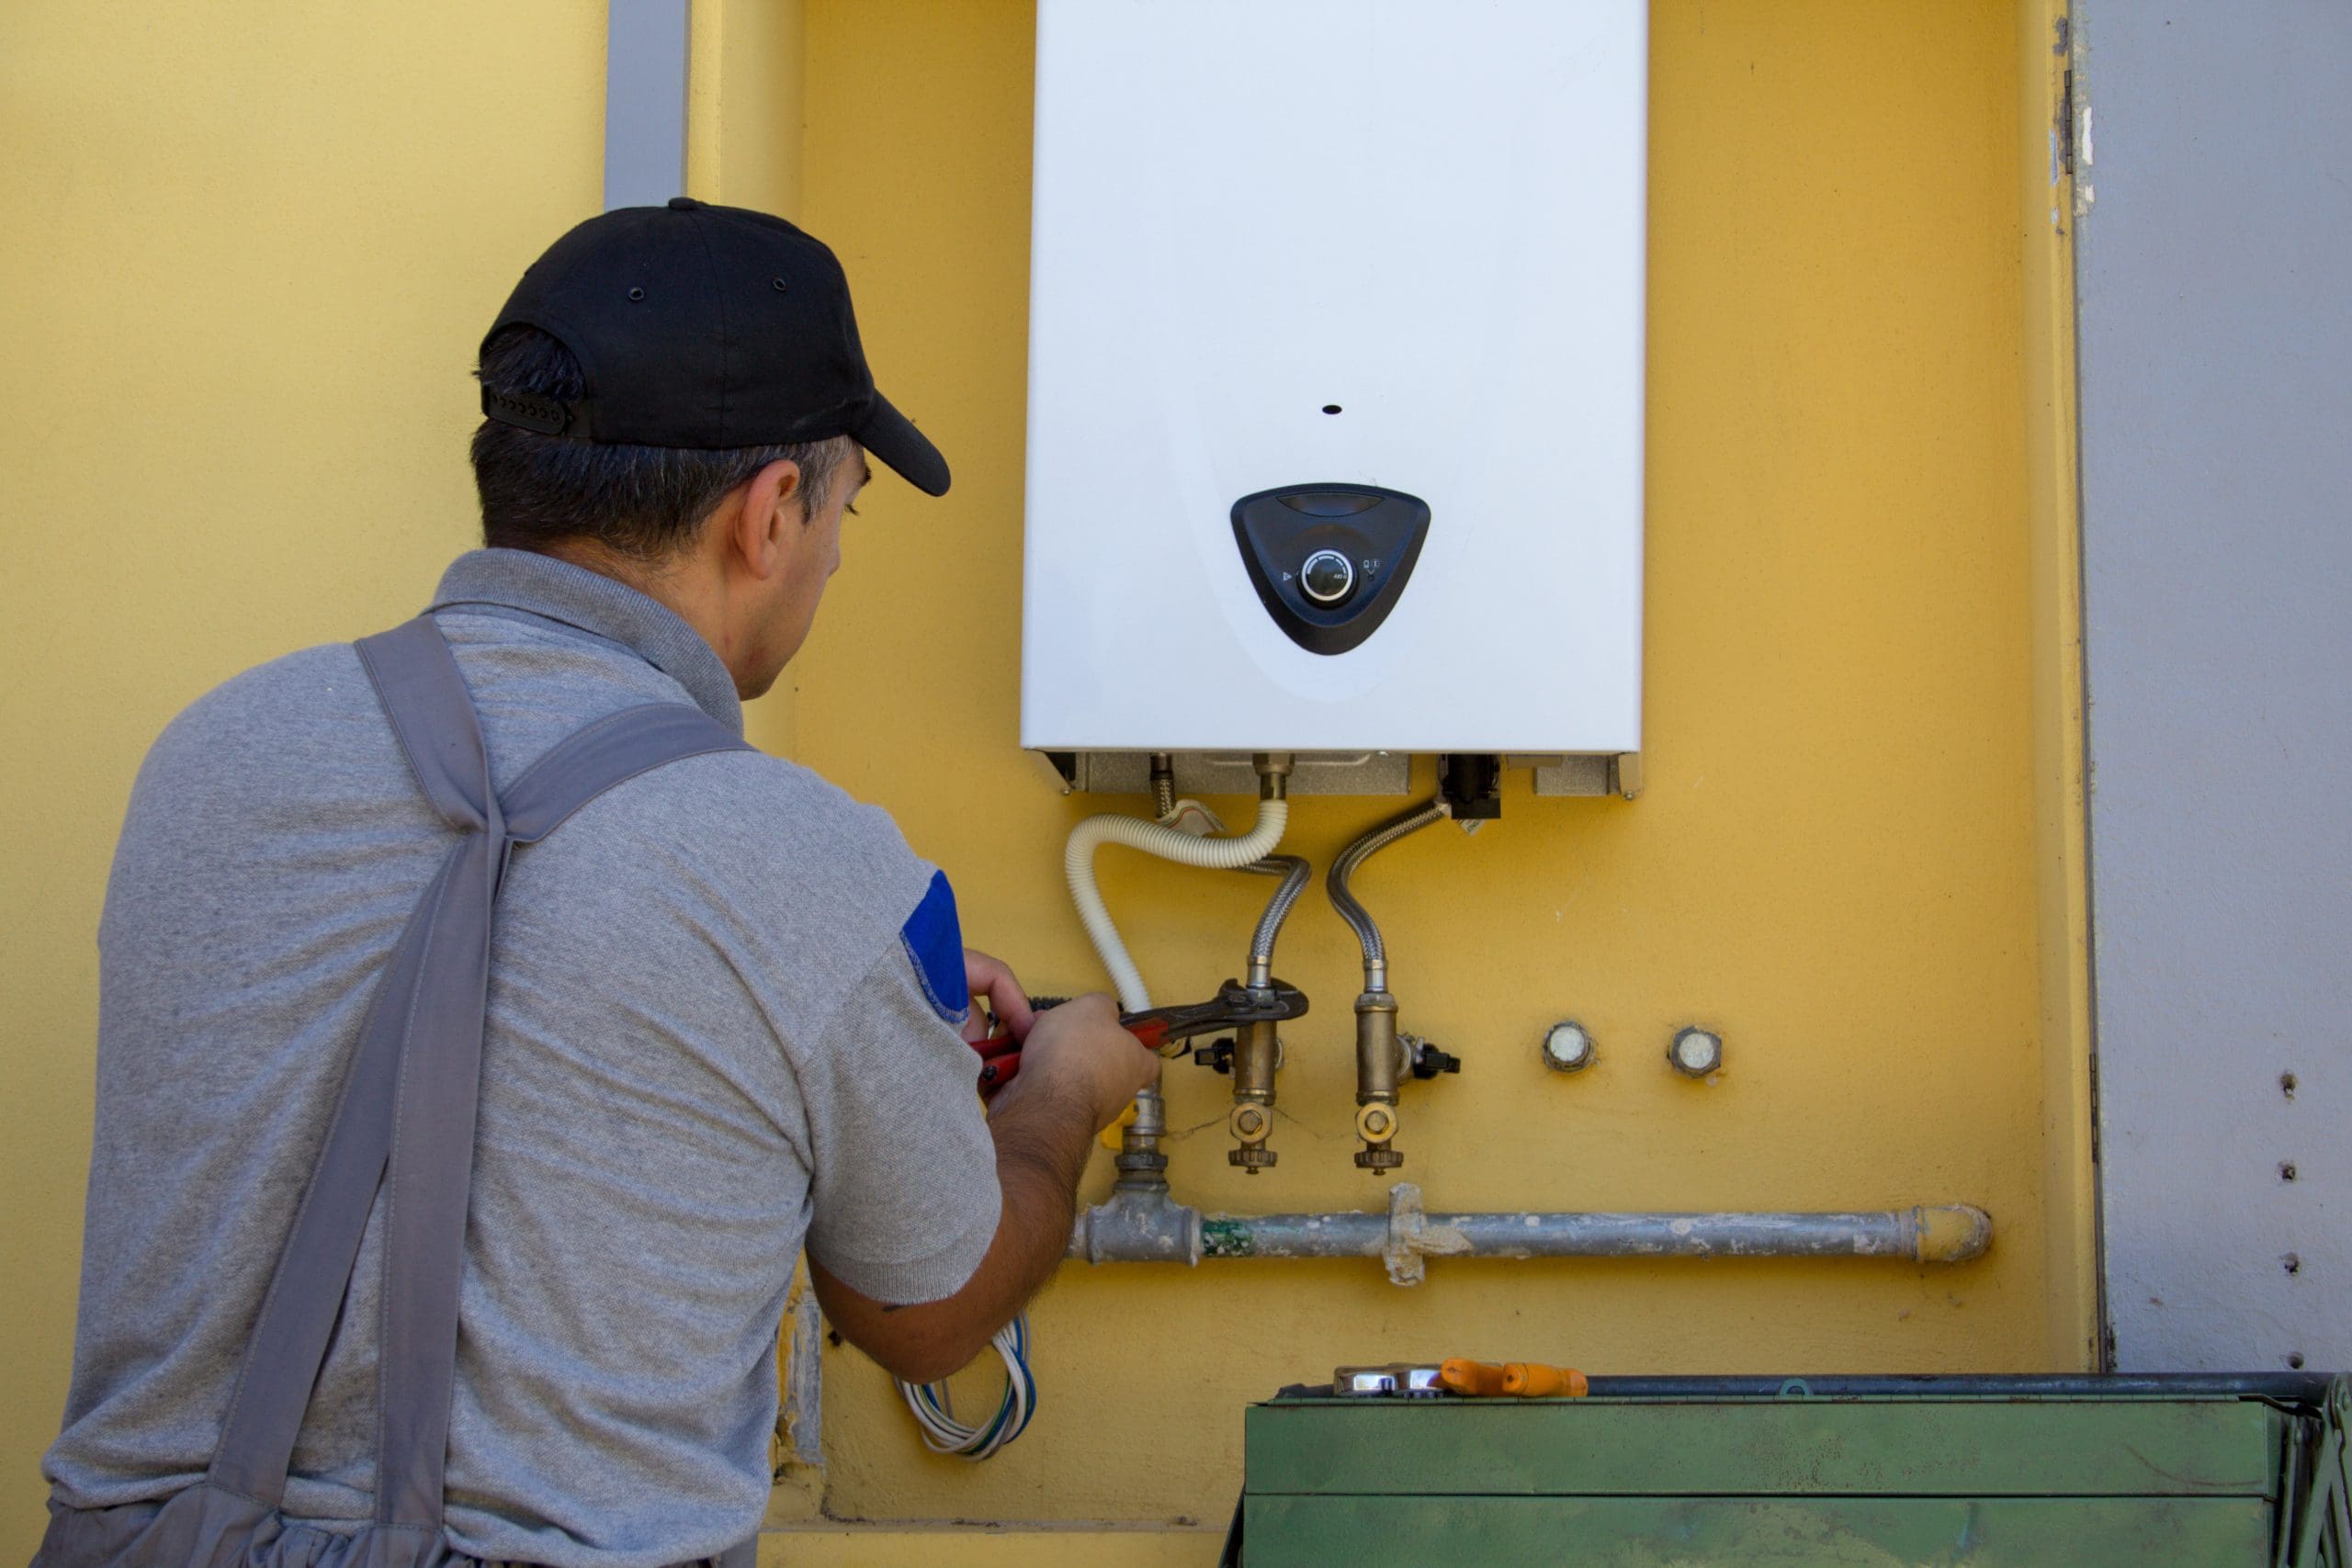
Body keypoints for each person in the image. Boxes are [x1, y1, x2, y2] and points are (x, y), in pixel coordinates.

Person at [35, 198, 1159, 1568]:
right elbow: (923, 1313)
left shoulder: (212, 756)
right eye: (847, 509)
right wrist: (1067, 1090)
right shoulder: (812, 867)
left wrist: (848, 996)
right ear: (771, 513)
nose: (840, 556)